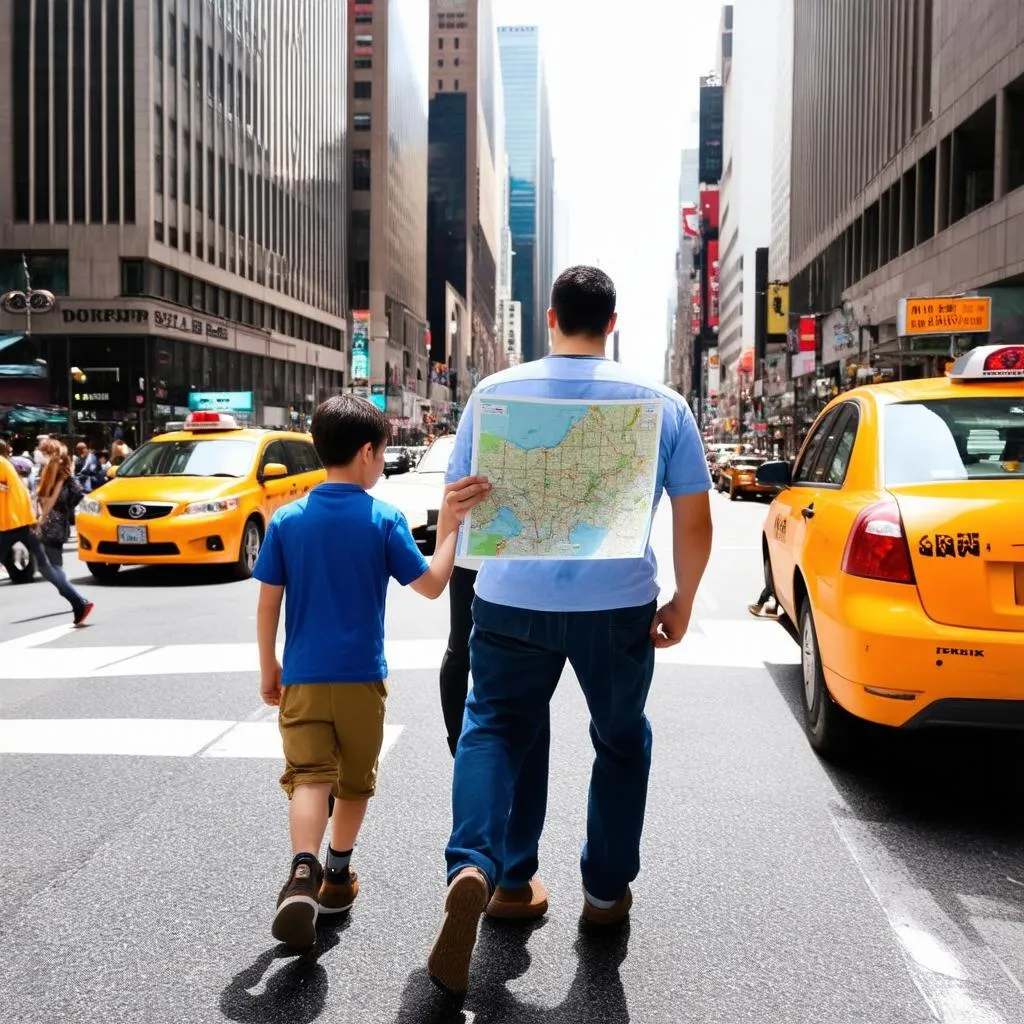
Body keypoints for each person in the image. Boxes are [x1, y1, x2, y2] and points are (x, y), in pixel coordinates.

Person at [426, 266, 714, 996]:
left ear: (551, 317)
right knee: (620, 741)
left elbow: (456, 503)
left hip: (511, 599)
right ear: (611, 324)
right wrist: (683, 600)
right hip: (617, 605)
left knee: (494, 728)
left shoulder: (495, 393)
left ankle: (488, 870)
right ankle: (605, 891)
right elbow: (694, 518)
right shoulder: (662, 403)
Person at [252, 395, 490, 952]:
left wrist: (270, 667)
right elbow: (431, 585)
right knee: (355, 781)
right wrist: (451, 527)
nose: (383, 463)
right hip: (362, 680)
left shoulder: (288, 519)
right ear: (366, 452)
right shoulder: (382, 518)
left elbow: (268, 605)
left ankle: (303, 869)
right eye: (382, 454)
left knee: (310, 777)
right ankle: (338, 872)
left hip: (304, 679)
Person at [0, 440, 94, 625]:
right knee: (47, 568)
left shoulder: (3, 464)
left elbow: (11, 491)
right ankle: (79, 602)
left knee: (49, 567)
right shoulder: (7, 464)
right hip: (23, 521)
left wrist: (41, 518)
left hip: (13, 523)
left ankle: (79, 602)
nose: (37, 452)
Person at [34, 439, 86, 573]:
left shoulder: (57, 475)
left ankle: (70, 592)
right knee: (53, 566)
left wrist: (42, 517)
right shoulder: (55, 474)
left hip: (52, 525)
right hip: (56, 524)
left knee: (54, 567)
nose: (38, 454)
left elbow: (47, 502)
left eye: (43, 451)